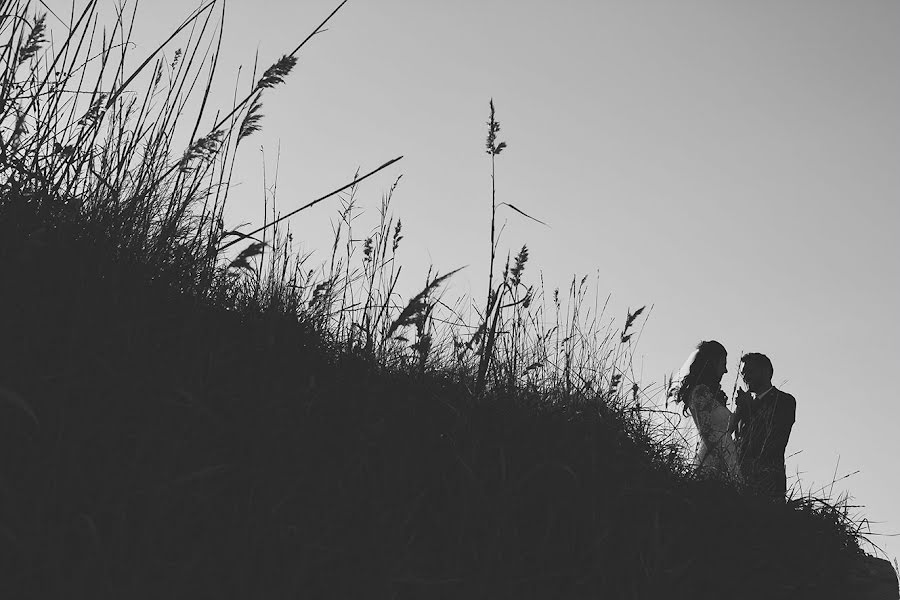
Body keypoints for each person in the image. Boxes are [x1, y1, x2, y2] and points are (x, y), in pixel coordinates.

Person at [667, 340, 742, 482]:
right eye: (723, 364)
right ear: (712, 364)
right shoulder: (699, 393)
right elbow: (707, 434)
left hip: (726, 453)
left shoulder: (711, 395)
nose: (725, 371)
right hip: (714, 457)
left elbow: (727, 430)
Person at [733, 353, 796, 501]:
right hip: (739, 480)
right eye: (743, 373)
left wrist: (749, 410)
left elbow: (775, 440)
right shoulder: (744, 403)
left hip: (768, 482)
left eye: (750, 372)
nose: (745, 377)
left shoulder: (784, 401)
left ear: (766, 372)